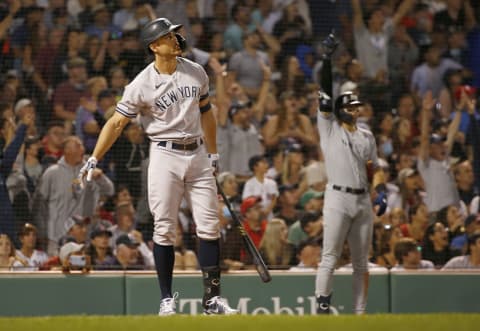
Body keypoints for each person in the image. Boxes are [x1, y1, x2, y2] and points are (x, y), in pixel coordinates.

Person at [78, 18, 238, 315]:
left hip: (199, 153)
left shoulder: (196, 71)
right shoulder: (140, 84)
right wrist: (94, 157)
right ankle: (166, 298)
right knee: (164, 228)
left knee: (209, 226)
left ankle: (212, 299)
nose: (176, 39)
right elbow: (116, 123)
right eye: (168, 36)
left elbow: (207, 114)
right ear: (154, 46)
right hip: (164, 155)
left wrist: (213, 154)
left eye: (175, 35)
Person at [314, 33, 387, 315]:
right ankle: (322, 304)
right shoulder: (328, 127)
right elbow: (324, 95)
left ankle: (359, 313)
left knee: (361, 262)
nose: (354, 110)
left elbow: (375, 168)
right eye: (349, 106)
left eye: (356, 106)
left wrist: (379, 191)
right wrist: (327, 60)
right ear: (340, 109)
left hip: (362, 200)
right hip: (337, 197)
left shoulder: (366, 135)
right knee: (329, 256)